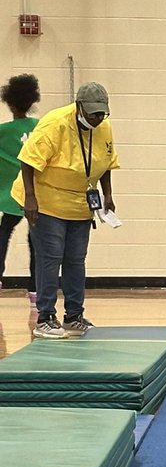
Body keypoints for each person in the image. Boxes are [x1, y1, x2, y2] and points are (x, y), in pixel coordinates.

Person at [12, 82, 119, 339]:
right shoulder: (55, 123)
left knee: (75, 259)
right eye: (92, 113)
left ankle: (74, 315)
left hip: (79, 202)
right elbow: (28, 160)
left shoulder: (102, 127)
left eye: (101, 114)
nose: (96, 118)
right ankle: (45, 317)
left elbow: (105, 163)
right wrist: (30, 198)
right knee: (51, 257)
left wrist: (108, 195)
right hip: (45, 200)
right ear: (79, 107)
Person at [0, 74, 40, 304]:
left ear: (10, 103)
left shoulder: (3, 131)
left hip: (12, 193)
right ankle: (35, 289)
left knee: (5, 230)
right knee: (36, 238)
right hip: (36, 190)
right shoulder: (41, 126)